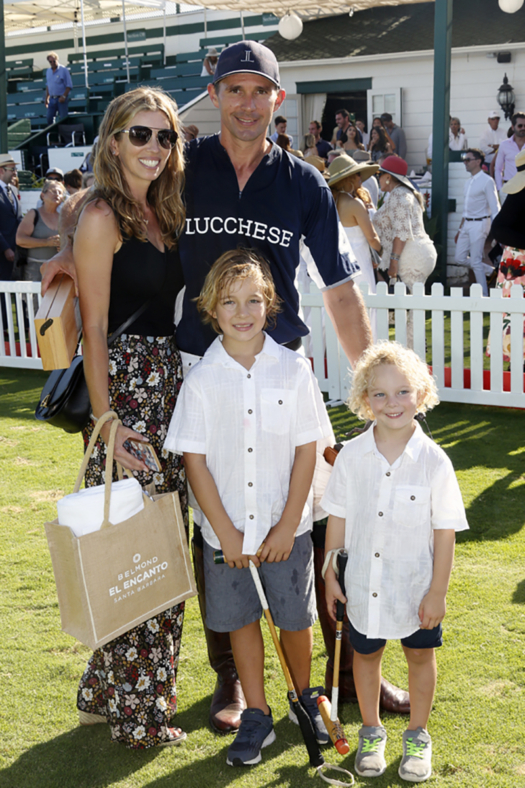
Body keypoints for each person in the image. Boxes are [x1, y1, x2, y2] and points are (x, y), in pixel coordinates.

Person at [41, 40, 409, 731]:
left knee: (318, 523)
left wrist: (377, 389)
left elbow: (339, 294)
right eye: (232, 90)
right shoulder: (187, 166)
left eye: (258, 90)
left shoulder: (300, 182)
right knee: (215, 529)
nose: (246, 103)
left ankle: (351, 675)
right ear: (213, 96)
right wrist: (67, 244)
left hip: (280, 378)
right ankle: (231, 684)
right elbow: (110, 207)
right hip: (196, 376)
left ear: (278, 98)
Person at [166, 249, 332, 766]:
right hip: (227, 535)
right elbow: (195, 463)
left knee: (294, 619)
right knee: (241, 622)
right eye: (230, 302)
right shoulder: (201, 380)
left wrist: (286, 526)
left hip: (288, 528)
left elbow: (309, 449)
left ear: (270, 304)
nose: (243, 312)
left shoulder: (293, 368)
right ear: (211, 309)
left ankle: (303, 700)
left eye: (254, 300)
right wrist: (226, 532)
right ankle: (256, 713)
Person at [73, 87, 188, 748]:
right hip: (126, 400)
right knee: (145, 559)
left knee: (144, 547)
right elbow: (92, 329)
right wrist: (107, 423)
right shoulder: (100, 215)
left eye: (165, 136)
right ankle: (140, 719)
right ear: (113, 140)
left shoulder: (162, 210)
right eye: (140, 134)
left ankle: (99, 692)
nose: (153, 147)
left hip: (167, 389)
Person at [322, 341, 468, 782]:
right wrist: (330, 571)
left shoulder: (434, 463)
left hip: (415, 587)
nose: (392, 403)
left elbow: (444, 532)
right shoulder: (350, 457)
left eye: (403, 392)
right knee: (365, 659)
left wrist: (437, 592)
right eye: (380, 394)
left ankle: (418, 735)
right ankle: (371, 731)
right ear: (365, 401)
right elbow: (338, 516)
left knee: (419, 659)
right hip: (364, 585)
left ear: (421, 394)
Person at [372, 156, 437, 346]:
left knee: (412, 306)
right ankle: (414, 348)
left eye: (380, 175)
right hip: (418, 251)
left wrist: (393, 262)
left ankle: (413, 351)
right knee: (414, 304)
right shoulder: (404, 193)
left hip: (410, 254)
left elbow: (401, 232)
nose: (378, 179)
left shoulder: (399, 195)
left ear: (388, 177)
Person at [327, 154, 382, 339]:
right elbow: (372, 237)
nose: (360, 178)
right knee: (367, 309)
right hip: (360, 263)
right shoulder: (354, 204)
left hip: (339, 264)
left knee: (342, 311)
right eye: (356, 174)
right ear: (348, 179)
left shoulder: (329, 203)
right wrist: (381, 252)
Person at [489, 148, 525, 362]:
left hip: (517, 262)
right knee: (516, 321)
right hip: (518, 264)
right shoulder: (521, 193)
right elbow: (499, 228)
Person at [454, 148, 500, 297]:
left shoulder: (487, 181)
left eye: (468, 159)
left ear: (478, 161)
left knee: (475, 261)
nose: (465, 162)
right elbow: (466, 209)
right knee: (459, 258)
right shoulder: (468, 182)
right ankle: (490, 271)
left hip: (480, 224)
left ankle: (484, 297)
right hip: (467, 224)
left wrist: (497, 231)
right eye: (464, 160)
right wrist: (460, 229)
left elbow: (495, 207)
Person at [16, 179, 63, 311]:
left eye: (60, 192)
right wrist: (46, 242)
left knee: (55, 313)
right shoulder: (33, 214)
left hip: (57, 271)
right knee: (36, 313)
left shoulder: (63, 217)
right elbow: (20, 239)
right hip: (34, 272)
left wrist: (63, 246)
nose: (57, 194)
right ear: (43, 195)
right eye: (54, 191)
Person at [0, 154, 22, 331]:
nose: (15, 172)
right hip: (2, 253)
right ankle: (7, 326)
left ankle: (24, 325)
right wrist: (6, 248)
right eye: (12, 169)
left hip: (18, 249)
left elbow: (18, 219)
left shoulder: (13, 191)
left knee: (19, 289)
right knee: (4, 290)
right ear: (1, 171)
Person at [494, 112, 525, 192]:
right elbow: (498, 168)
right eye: (520, 126)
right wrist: (500, 187)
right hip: (510, 187)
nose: (523, 128)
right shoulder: (504, 145)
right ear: (512, 127)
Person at [45, 52, 73, 125]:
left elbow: (69, 85)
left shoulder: (64, 70)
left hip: (61, 99)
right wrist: (46, 98)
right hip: (52, 99)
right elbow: (48, 85)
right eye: (50, 61)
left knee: (63, 118)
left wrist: (63, 96)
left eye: (54, 61)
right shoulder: (48, 71)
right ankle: (53, 134)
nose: (52, 63)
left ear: (57, 59)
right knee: (49, 118)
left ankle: (64, 134)